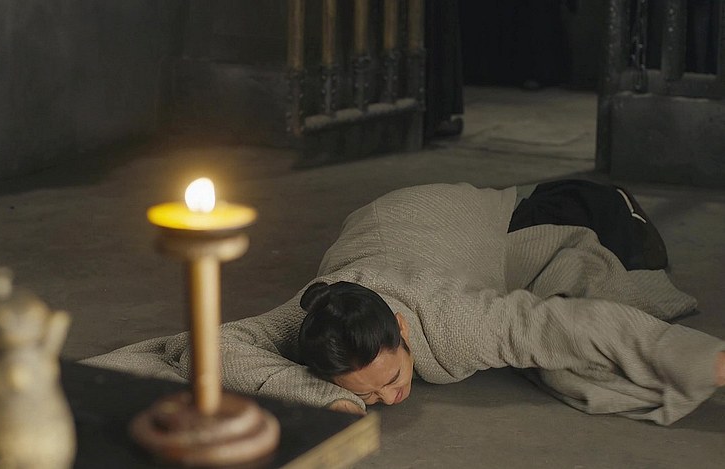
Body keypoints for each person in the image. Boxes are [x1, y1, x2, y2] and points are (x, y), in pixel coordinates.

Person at [84, 180, 725, 425]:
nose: (391, 400)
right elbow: (212, 343)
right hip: (385, 216)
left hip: (534, 209)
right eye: (371, 393)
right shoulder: (314, 313)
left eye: (391, 379)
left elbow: (575, 324)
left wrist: (706, 362)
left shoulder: (455, 319)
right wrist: (325, 398)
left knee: (574, 358)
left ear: (402, 330)